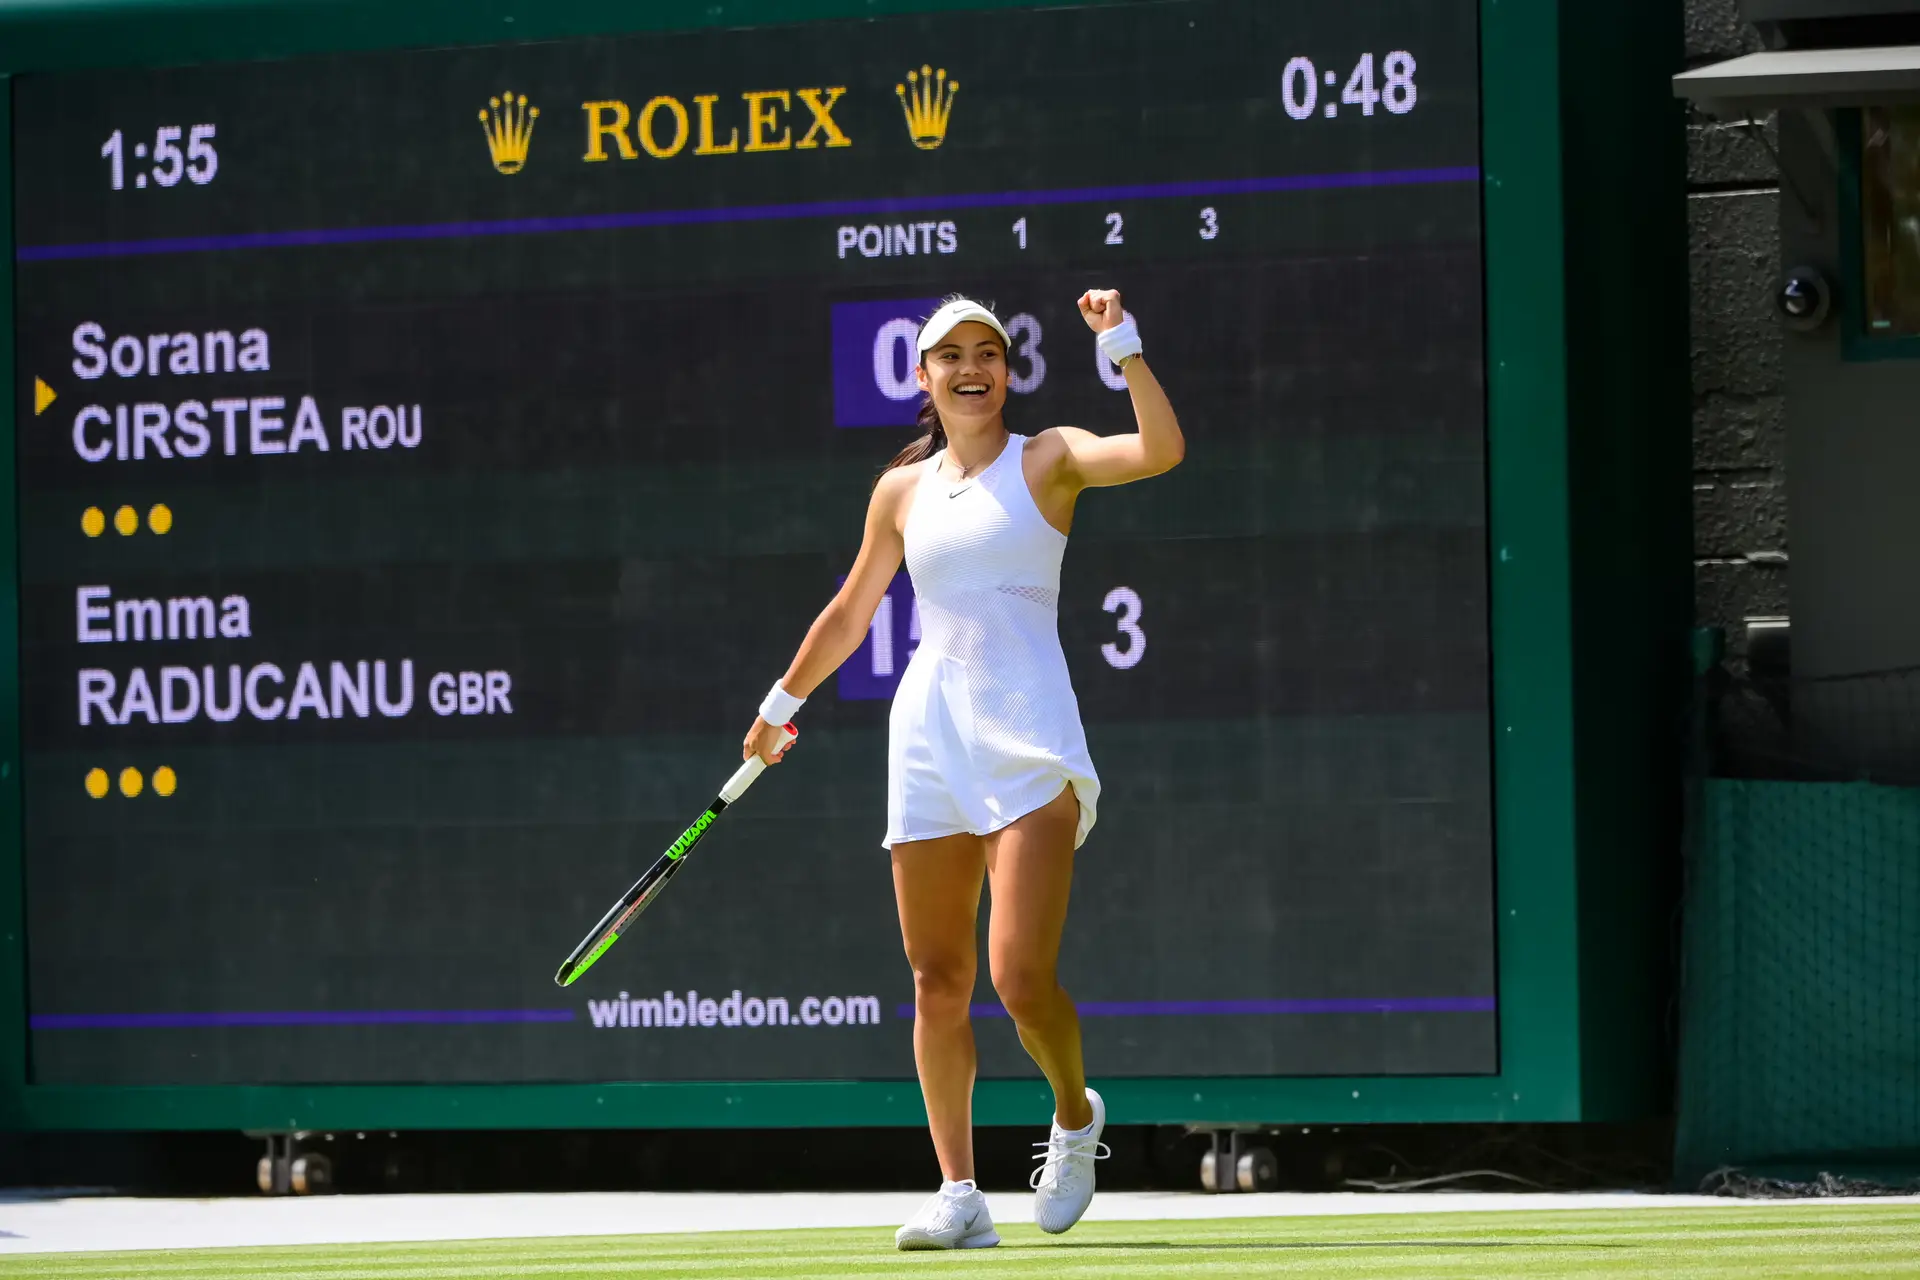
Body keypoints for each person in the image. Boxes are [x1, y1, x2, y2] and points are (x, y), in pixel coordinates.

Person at [742, 290, 1184, 1249]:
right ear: (925, 376)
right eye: (952, 355)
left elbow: (1158, 450)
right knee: (936, 979)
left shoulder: (1051, 457)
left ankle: (1074, 1118)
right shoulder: (900, 491)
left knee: (1020, 979)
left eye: (989, 352)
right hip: (928, 742)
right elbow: (854, 610)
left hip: (1030, 739)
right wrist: (782, 703)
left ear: (1009, 372)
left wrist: (1123, 346)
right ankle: (960, 1194)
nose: (971, 367)